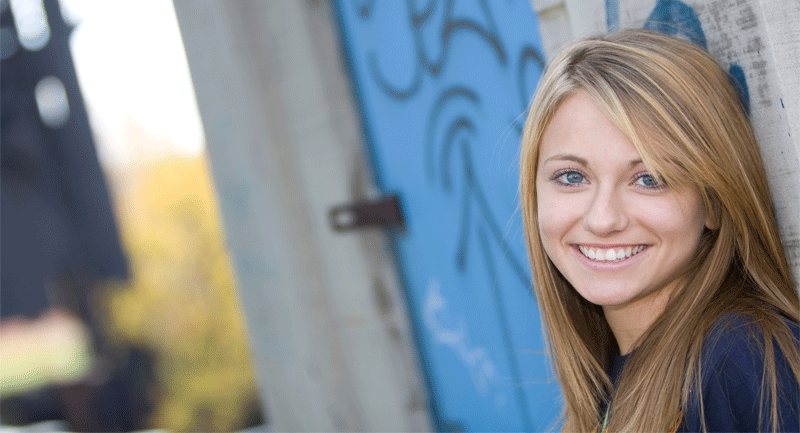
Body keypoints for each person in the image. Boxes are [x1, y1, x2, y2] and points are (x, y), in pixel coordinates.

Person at [519, 29, 800, 432]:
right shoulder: (609, 376)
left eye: (649, 179)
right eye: (571, 176)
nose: (602, 219)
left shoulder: (742, 359)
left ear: (715, 202)